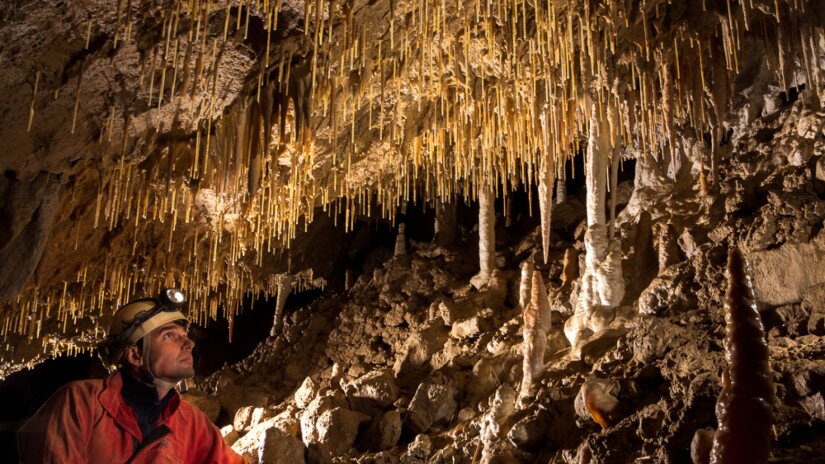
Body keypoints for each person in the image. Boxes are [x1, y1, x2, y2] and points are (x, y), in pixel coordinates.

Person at [18, 288, 244, 463]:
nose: (189, 343)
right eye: (169, 336)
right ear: (135, 355)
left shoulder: (192, 423)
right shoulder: (79, 403)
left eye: (185, 335)